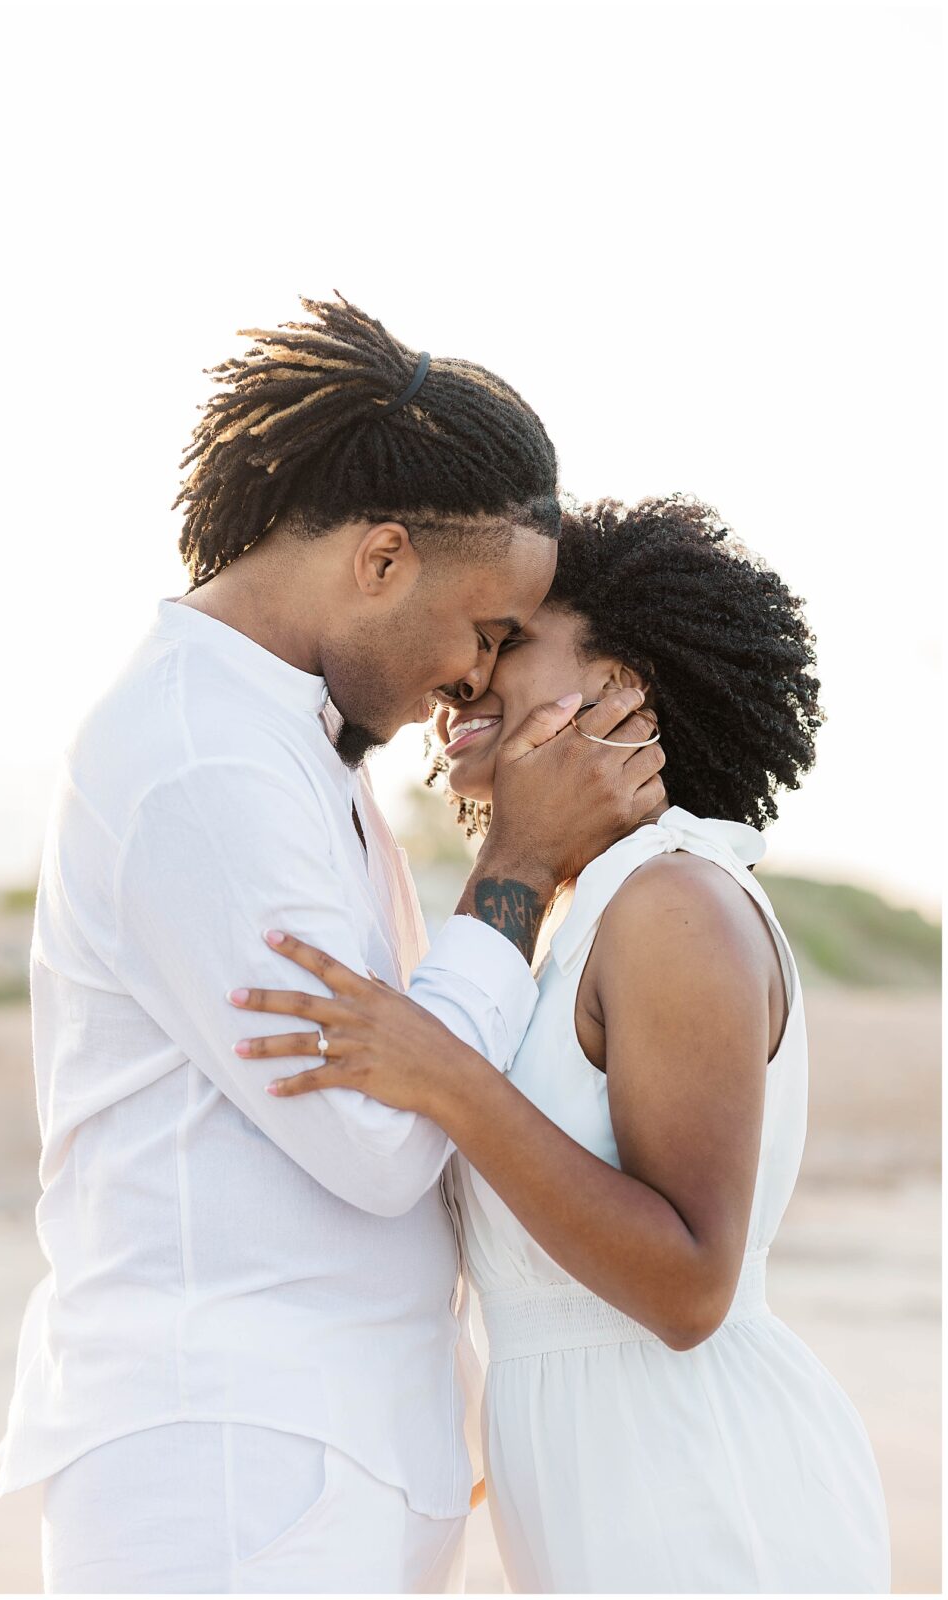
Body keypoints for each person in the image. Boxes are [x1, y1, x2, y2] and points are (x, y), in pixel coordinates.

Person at [0, 297, 666, 1595]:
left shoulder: (276, 748)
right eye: (481, 631)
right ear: (379, 561)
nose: (474, 680)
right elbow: (374, 1137)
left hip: (306, 1452)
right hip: (234, 1464)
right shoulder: (199, 763)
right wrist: (515, 867)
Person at [232, 495, 892, 1594]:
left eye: (511, 644)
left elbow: (689, 1286)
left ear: (623, 686)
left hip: (714, 1508)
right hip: (608, 1508)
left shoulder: (673, 901)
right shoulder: (573, 922)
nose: (464, 678)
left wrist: (442, 1074)